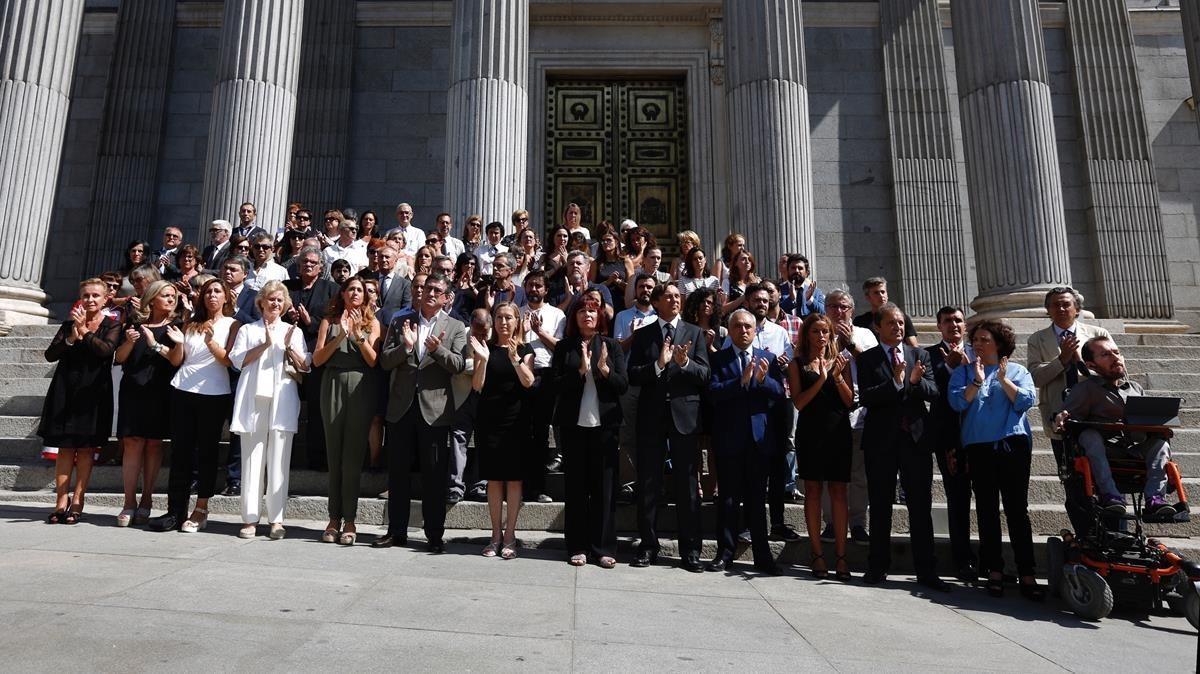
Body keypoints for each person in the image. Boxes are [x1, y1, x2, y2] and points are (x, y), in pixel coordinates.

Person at [949, 320, 1043, 600]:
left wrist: (1003, 380)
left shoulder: (1018, 371)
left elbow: (1026, 401)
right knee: (987, 510)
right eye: (975, 339)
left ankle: (1027, 572)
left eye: (984, 339)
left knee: (1017, 510)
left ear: (999, 344)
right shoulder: (963, 372)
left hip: (1012, 444)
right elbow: (957, 403)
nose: (977, 344)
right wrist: (977, 381)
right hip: (978, 446)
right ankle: (994, 570)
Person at [856, 303, 948, 591]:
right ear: (878, 327)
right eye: (891, 323)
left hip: (915, 440)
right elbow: (867, 397)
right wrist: (896, 382)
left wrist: (914, 382)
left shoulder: (920, 355)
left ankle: (927, 571)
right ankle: (877, 567)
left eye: (901, 323)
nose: (898, 327)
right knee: (880, 505)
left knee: (920, 506)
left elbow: (934, 393)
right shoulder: (867, 359)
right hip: (880, 441)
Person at [375, 273, 467, 552]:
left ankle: (434, 534)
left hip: (435, 411)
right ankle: (396, 531)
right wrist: (405, 346)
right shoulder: (402, 321)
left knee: (434, 476)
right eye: (427, 288)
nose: (430, 293)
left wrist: (438, 350)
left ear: (445, 297)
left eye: (437, 290)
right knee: (398, 474)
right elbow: (385, 362)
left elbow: (459, 365)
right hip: (402, 408)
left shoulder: (455, 326)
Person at [627, 282, 710, 572]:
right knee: (649, 483)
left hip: (684, 418)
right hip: (651, 417)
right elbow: (633, 374)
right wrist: (658, 366)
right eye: (669, 296)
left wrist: (684, 362)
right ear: (658, 301)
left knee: (687, 486)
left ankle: (691, 551)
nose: (675, 300)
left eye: (678, 296)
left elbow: (704, 374)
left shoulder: (695, 332)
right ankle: (648, 546)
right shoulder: (644, 334)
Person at [149, 278, 235, 533]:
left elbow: (228, 361)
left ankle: (201, 509)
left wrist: (210, 342)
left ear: (226, 297)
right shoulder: (191, 323)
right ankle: (175, 511)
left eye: (217, 291)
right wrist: (177, 342)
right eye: (208, 292)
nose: (212, 296)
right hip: (182, 389)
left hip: (214, 393)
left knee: (207, 453)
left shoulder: (234, 325)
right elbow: (178, 361)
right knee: (180, 453)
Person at [1056, 336, 1175, 517]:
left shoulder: (1135, 388)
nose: (1115, 357)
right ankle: (1110, 495)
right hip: (1104, 451)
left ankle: (1155, 499)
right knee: (1089, 435)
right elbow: (1066, 419)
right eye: (1105, 354)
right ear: (1091, 365)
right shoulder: (1085, 389)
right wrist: (1061, 417)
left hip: (1134, 450)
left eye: (1117, 353)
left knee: (1161, 444)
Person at [228, 281, 310, 540]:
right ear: (261, 302)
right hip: (253, 398)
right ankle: (250, 519)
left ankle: (277, 519)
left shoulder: (292, 331)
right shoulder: (248, 329)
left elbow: (305, 365)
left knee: (279, 460)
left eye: (280, 300)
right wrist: (264, 344)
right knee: (252, 459)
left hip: (283, 397)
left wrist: (288, 347)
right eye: (271, 299)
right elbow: (237, 360)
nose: (275, 304)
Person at [707, 309, 786, 575]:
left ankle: (763, 558)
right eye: (738, 326)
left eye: (748, 327)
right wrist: (738, 383)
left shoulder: (768, 358)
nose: (743, 331)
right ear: (730, 330)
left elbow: (779, 394)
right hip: (729, 439)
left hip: (758, 440)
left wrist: (762, 381)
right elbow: (713, 393)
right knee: (728, 500)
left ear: (755, 330)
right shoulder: (719, 359)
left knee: (755, 500)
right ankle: (724, 554)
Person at [552, 289, 627, 567]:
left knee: (604, 490)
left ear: (600, 316)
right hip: (574, 427)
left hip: (605, 427)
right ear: (575, 317)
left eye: (592, 310)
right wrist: (580, 371)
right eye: (582, 310)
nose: (587, 314)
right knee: (576, 488)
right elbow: (556, 386)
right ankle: (577, 546)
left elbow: (623, 385)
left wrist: (604, 370)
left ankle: (604, 547)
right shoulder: (564, 347)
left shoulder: (611, 346)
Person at [38, 279, 121, 525]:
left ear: (106, 299)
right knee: (64, 448)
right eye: (86, 296)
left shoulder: (112, 325)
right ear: (80, 298)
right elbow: (50, 355)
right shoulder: (67, 325)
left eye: (96, 295)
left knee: (86, 448)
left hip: (94, 392)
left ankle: (78, 500)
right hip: (66, 390)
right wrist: (71, 338)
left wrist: (85, 332)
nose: (91, 300)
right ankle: (60, 502)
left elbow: (105, 351)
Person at [313, 277, 381, 546]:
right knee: (334, 455)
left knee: (352, 457)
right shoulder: (328, 322)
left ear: (366, 296)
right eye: (351, 289)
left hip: (360, 386)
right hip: (331, 383)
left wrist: (356, 335)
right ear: (342, 294)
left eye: (360, 290)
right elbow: (317, 359)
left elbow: (374, 360)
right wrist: (340, 334)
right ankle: (333, 518)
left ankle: (350, 519)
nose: (355, 293)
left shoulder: (372, 322)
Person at [789, 313, 854, 580]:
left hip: (838, 432)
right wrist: (821, 378)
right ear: (807, 335)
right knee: (813, 491)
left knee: (839, 492)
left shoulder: (842, 361)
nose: (821, 336)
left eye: (825, 331)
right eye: (816, 331)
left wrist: (836, 377)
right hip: (810, 433)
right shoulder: (797, 363)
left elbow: (850, 401)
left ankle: (841, 556)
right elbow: (799, 402)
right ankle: (816, 554)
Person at [468, 302, 536, 558]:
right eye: (499, 317)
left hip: (517, 421)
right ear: (493, 321)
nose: (504, 322)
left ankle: (510, 536)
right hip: (490, 421)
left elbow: (529, 382)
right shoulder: (483, 347)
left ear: (517, 321)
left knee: (514, 480)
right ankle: (495, 535)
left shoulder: (525, 349)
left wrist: (515, 359)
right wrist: (483, 360)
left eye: (509, 317)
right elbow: (477, 385)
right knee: (494, 479)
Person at [113, 280, 182, 527]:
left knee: (154, 445)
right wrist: (130, 342)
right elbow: (119, 358)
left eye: (173, 296)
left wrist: (157, 343)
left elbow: (176, 361)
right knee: (132, 443)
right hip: (133, 390)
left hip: (161, 391)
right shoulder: (134, 326)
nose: (171, 299)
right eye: (166, 295)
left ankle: (147, 500)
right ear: (152, 299)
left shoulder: (178, 327)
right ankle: (129, 502)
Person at [1026, 286, 1111, 483]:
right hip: (1059, 415)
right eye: (1056, 305)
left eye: (1066, 304)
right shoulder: (1037, 339)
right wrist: (1061, 360)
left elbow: (1115, 371)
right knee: (1071, 478)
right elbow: (1035, 378)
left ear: (1077, 309)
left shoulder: (1097, 333)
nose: (1061, 309)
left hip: (1095, 412)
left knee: (1102, 474)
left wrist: (1081, 362)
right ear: (1048, 310)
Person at [925, 306, 978, 582]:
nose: (953, 325)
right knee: (957, 497)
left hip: (981, 434)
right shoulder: (929, 355)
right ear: (938, 326)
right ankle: (963, 558)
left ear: (965, 325)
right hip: (948, 437)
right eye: (947, 321)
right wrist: (950, 366)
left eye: (958, 321)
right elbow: (931, 388)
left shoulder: (979, 351)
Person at [820, 289, 875, 544]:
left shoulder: (865, 334)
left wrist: (852, 344)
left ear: (851, 310)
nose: (838, 311)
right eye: (833, 306)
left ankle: (858, 523)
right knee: (829, 472)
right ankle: (831, 522)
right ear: (825, 309)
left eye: (843, 307)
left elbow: (875, 368)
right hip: (828, 415)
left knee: (858, 474)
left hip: (859, 416)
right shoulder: (819, 333)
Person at [285, 246, 338, 469]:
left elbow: (335, 321)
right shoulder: (287, 288)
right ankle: (286, 458)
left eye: (313, 263)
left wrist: (311, 322)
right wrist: (288, 316)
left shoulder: (331, 289)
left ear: (321, 267)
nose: (308, 265)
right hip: (288, 355)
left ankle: (317, 460)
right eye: (304, 262)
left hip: (317, 355)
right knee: (287, 406)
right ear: (298, 265)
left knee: (316, 409)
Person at [519, 271, 566, 503]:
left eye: (538, 286)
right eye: (530, 285)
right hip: (519, 374)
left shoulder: (557, 314)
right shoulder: (516, 313)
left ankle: (537, 488)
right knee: (519, 432)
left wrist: (538, 332)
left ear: (546, 290)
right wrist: (522, 329)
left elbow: (561, 348)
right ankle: (516, 487)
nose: (534, 289)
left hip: (545, 375)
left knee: (539, 434)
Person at [853, 277, 919, 348]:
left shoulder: (901, 318)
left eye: (883, 292)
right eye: (876, 293)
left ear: (887, 294)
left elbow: (914, 347)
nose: (881, 296)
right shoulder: (860, 321)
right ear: (868, 297)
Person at [590, 229, 631, 313]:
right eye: (603, 241)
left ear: (616, 242)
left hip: (622, 304)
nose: (605, 242)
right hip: (603, 306)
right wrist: (608, 282)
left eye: (608, 240)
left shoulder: (626, 261)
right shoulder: (596, 263)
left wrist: (618, 281)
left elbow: (631, 288)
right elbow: (591, 288)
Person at [777, 253, 825, 318]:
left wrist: (810, 300)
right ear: (788, 270)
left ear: (806, 272)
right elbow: (774, 312)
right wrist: (790, 299)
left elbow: (823, 313)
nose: (796, 271)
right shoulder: (778, 290)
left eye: (800, 268)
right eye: (793, 268)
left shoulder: (816, 292)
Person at [374, 244, 413, 316]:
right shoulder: (369, 279)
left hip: (393, 325)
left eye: (387, 257)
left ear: (395, 260)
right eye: (381, 257)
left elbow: (406, 309)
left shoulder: (404, 284)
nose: (384, 260)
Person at [719, 249, 759, 315]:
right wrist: (744, 296)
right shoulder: (727, 282)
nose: (747, 262)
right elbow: (723, 309)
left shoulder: (757, 281)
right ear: (735, 263)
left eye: (749, 259)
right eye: (743, 259)